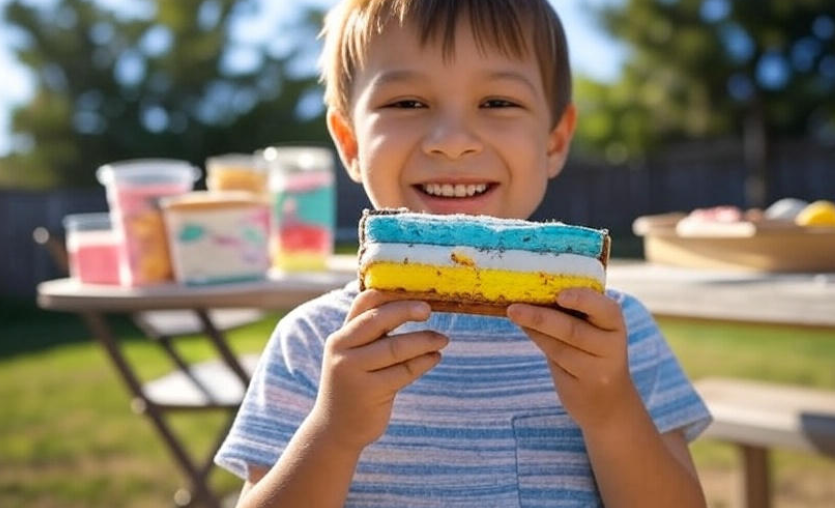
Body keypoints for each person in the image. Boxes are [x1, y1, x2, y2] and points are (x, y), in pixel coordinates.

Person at [215, 1, 712, 506]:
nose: (452, 143)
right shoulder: (312, 345)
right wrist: (333, 430)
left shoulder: (614, 336)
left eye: (498, 102)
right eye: (407, 103)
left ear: (555, 140)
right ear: (349, 142)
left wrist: (611, 411)